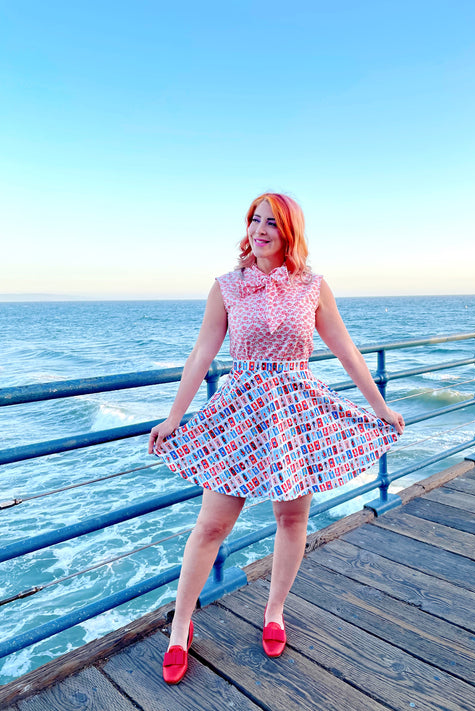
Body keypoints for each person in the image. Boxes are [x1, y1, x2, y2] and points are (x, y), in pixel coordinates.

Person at [148, 192, 404, 684]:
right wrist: (175, 415)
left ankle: (274, 611)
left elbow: (345, 348)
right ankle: (180, 627)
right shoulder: (227, 285)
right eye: (254, 220)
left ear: (290, 232)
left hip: (296, 406)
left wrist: (379, 407)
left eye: (272, 222)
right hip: (241, 409)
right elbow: (203, 352)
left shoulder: (312, 285)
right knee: (211, 526)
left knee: (291, 517)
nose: (260, 229)